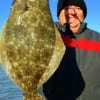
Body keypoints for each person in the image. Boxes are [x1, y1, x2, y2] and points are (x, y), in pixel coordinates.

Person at [43, 0, 100, 100]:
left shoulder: (97, 38)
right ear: (58, 15)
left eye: (77, 8)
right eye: (66, 9)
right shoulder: (47, 34)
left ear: (84, 13)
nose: (72, 12)